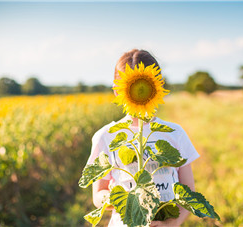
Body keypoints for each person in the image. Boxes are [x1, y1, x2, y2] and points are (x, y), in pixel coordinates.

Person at [86, 49, 200, 227]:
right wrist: (115, 198)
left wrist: (171, 224)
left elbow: (189, 194)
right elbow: (97, 195)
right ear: (117, 91)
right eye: (132, 86)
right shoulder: (106, 136)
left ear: (158, 86)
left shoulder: (175, 133)